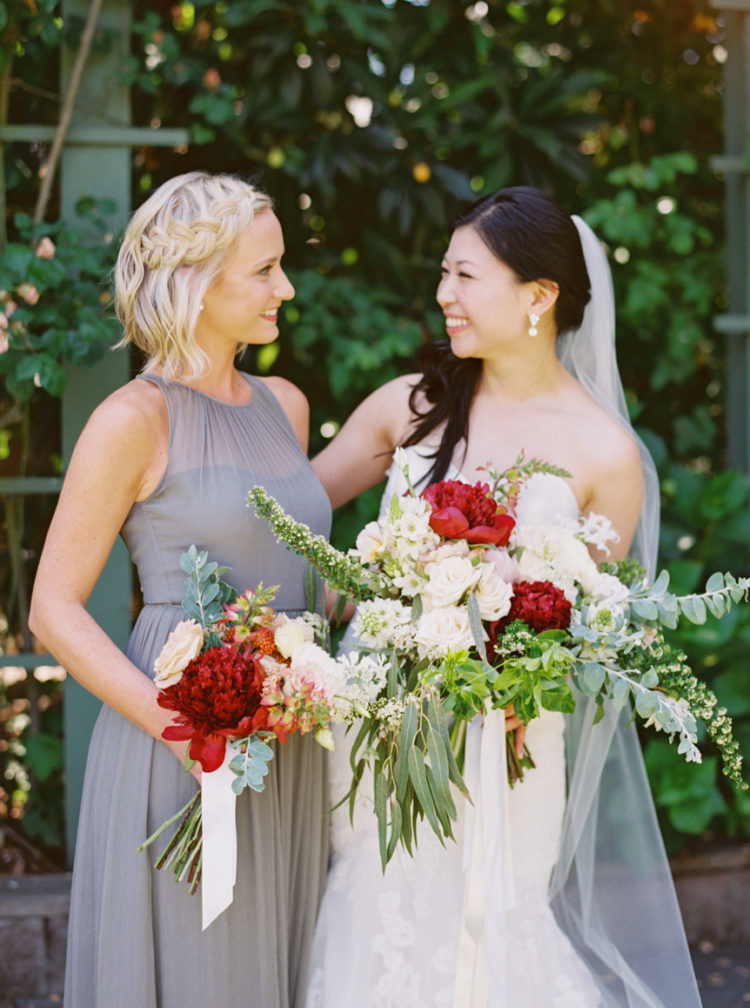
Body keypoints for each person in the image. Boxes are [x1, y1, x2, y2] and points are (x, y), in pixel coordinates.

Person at [305, 187, 702, 1007]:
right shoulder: (411, 410)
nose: (443, 294)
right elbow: (293, 527)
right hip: (383, 730)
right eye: (443, 274)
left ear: (538, 296)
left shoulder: (605, 453)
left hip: (512, 745)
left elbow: (594, 628)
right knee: (376, 917)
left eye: (464, 275)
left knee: (499, 920)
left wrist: (525, 683)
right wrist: (347, 617)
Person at [29, 171, 332, 1008]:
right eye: (264, 270)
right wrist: (182, 732)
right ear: (197, 283)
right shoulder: (132, 421)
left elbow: (299, 573)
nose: (286, 286)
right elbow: (51, 608)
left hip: (295, 746)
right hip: (183, 748)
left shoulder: (286, 406)